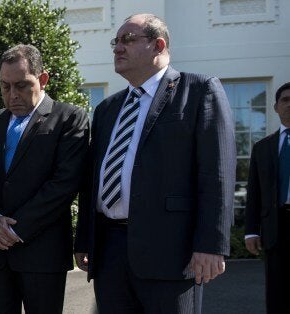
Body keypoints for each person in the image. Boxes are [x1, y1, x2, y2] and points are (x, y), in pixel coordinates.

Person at [74, 13, 236, 313]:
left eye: (127, 40)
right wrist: (85, 238)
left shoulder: (198, 91)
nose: (117, 48)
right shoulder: (108, 108)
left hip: (172, 253)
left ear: (158, 45)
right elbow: (92, 179)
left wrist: (212, 245)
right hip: (109, 253)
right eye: (116, 41)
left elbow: (217, 175)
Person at [0, 44, 89, 313]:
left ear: (42, 79)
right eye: (5, 86)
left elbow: (64, 183)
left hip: (42, 254)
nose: (12, 95)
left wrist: (14, 230)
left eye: (21, 85)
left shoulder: (69, 118)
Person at [245, 82, 290, 313]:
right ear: (275, 107)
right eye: (285, 100)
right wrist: (251, 230)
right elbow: (254, 192)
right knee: (276, 293)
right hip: (276, 226)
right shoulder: (262, 147)